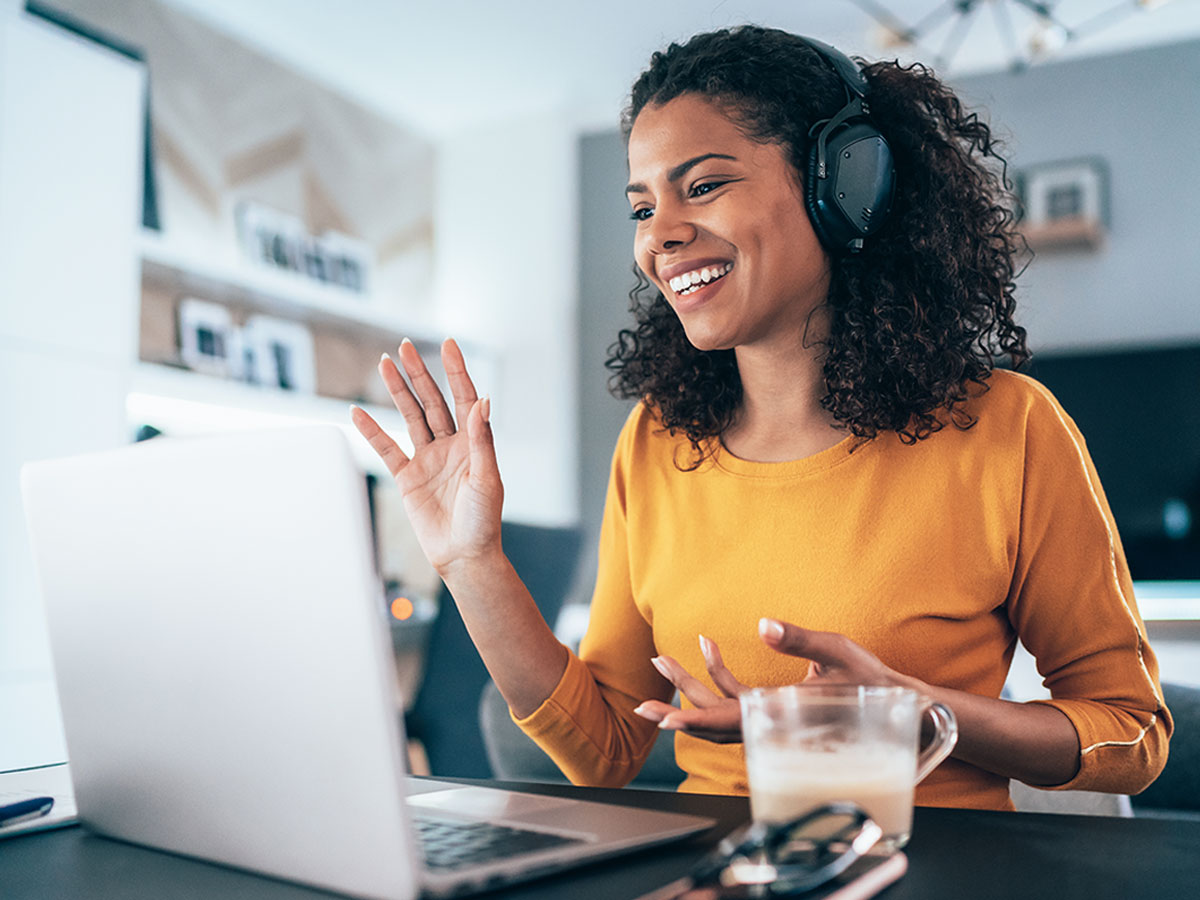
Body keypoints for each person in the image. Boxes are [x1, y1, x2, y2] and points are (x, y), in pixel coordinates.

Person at [351, 25, 1170, 811]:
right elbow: (604, 752)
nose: (660, 237)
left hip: (932, 863)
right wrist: (473, 562)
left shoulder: (1009, 428)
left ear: (846, 185)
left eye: (703, 186)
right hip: (722, 871)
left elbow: (1132, 737)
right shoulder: (659, 440)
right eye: (642, 208)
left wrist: (918, 710)